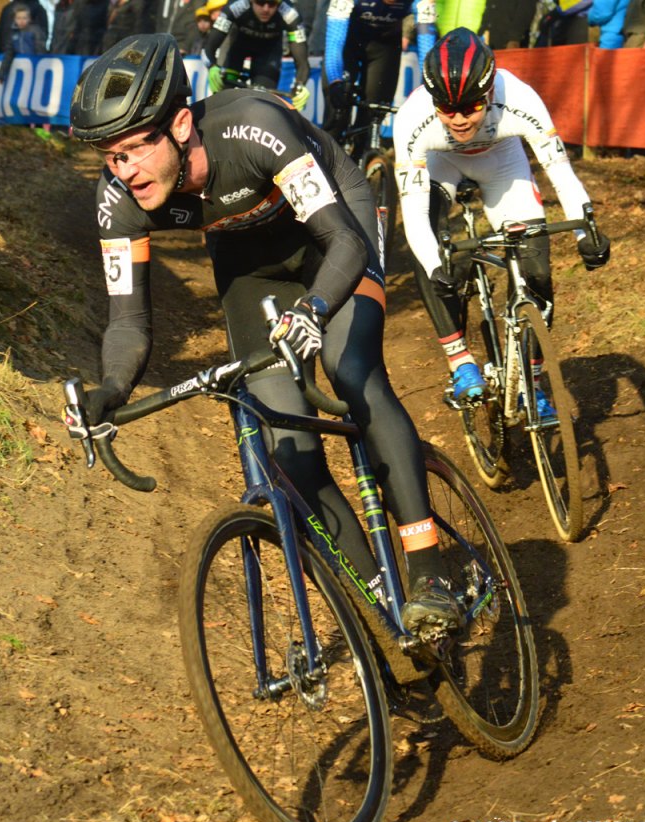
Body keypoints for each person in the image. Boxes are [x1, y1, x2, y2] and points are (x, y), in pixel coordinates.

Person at [68, 33, 463, 635]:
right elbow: (128, 321)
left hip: (334, 227)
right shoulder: (118, 197)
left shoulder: (252, 126)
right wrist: (111, 390)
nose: (126, 171)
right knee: (286, 441)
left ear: (179, 124)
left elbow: (344, 243)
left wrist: (316, 309)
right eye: (112, 157)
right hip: (248, 260)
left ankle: (429, 571)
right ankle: (383, 606)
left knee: (351, 368)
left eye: (136, 150)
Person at [394, 28, 610, 406]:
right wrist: (433, 266)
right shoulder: (413, 118)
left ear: (490, 93)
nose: (459, 120)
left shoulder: (521, 98)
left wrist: (586, 232)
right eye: (446, 109)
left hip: (501, 162)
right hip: (440, 165)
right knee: (436, 252)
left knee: (536, 266)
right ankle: (460, 362)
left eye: (471, 107)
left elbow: (561, 172)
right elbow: (412, 213)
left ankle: (532, 382)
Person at [322, 0, 411, 157]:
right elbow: (334, 43)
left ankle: (360, 163)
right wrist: (336, 81)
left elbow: (427, 46)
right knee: (336, 115)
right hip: (347, 45)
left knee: (371, 116)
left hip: (384, 49)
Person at [203, 0, 313, 108]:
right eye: (260, 2)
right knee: (223, 100)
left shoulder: (290, 14)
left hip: (268, 52)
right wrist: (212, 66)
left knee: (263, 103)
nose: (266, 9)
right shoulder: (235, 7)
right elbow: (208, 48)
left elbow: (303, 63)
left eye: (272, 3)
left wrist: (300, 85)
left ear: (279, 3)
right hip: (237, 47)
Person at [0, 4, 48, 84]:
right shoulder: (13, 34)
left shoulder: (35, 31)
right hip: (21, 70)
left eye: (24, 18)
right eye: (18, 18)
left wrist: (39, 67)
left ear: (29, 19)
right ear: (14, 19)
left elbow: (40, 50)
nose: (21, 21)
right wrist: (2, 73)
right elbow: (8, 54)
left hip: (34, 68)